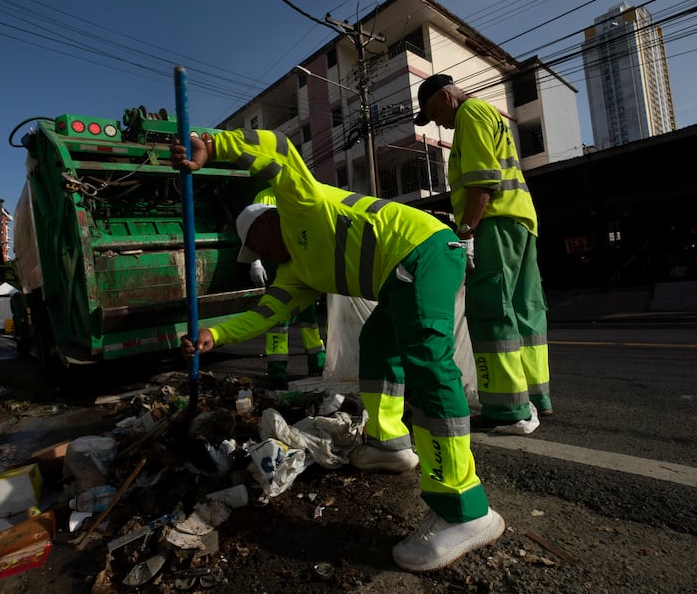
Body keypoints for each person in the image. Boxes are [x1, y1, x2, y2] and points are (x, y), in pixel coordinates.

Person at [171, 128, 504, 572]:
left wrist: (214, 145)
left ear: (266, 222)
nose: (262, 255)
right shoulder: (295, 273)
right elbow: (264, 314)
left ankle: (464, 509)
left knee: (428, 364)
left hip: (423, 250)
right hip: (399, 276)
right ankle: (389, 444)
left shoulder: (300, 204)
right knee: (378, 345)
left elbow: (280, 151)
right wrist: (217, 335)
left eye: (258, 244)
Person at [413, 73, 554, 429]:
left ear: (445, 99)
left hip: (493, 225)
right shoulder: (489, 114)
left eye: (434, 114)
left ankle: (506, 409)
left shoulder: (470, 116)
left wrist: (466, 232)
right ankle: (537, 397)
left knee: (493, 309)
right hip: (520, 221)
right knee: (526, 311)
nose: (439, 125)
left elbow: (480, 183)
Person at [248, 186, 326, 387]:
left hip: (300, 262)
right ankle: (277, 373)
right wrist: (255, 261)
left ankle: (317, 364)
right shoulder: (263, 196)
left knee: (309, 321)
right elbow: (255, 232)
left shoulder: (296, 192)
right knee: (278, 318)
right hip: (277, 263)